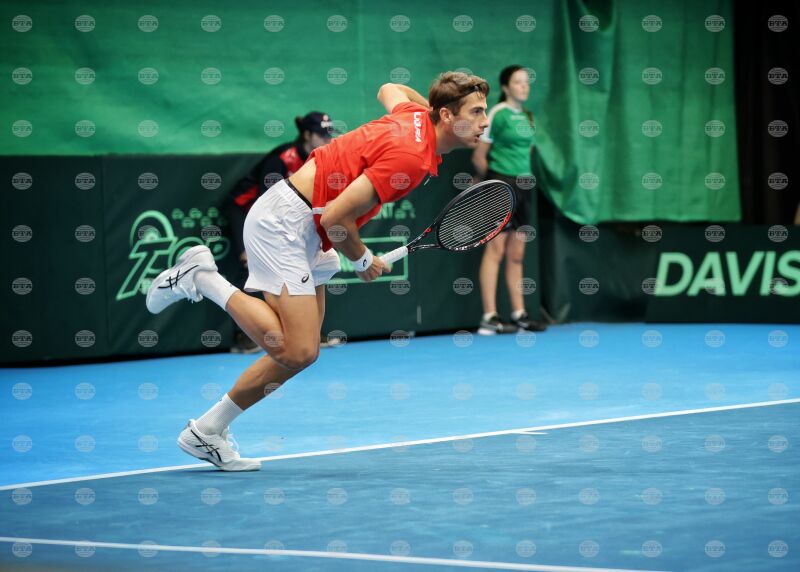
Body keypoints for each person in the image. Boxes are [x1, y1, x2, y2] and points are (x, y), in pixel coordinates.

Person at [146, 72, 490, 471]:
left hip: (310, 227)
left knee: (300, 354)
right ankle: (201, 277)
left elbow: (388, 88)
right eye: (476, 112)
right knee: (298, 350)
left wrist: (425, 110)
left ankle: (206, 430)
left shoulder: (413, 116)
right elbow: (337, 218)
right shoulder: (410, 158)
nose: (484, 122)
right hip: (287, 223)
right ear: (447, 116)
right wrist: (363, 260)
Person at [227, 112, 335, 353]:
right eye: (321, 135)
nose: (327, 140)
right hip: (246, 211)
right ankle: (243, 336)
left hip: (285, 220)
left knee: (309, 264)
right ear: (307, 135)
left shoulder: (321, 160)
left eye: (329, 135)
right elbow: (264, 203)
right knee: (249, 263)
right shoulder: (283, 159)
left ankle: (306, 330)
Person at [471, 65, 546, 335]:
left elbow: (527, 154)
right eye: (518, 82)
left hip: (525, 188)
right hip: (502, 187)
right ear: (506, 87)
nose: (524, 86)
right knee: (496, 251)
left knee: (517, 255)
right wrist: (489, 183)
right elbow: (479, 156)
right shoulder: (497, 114)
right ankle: (489, 317)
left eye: (526, 82)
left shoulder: (528, 117)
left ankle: (519, 314)